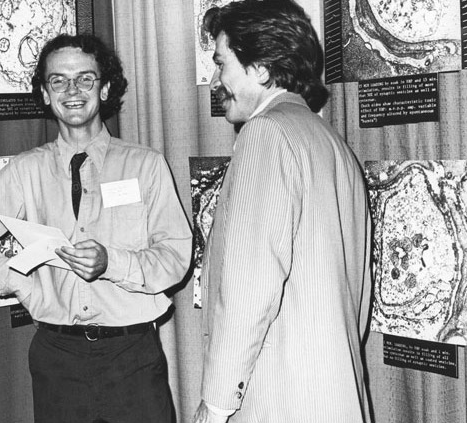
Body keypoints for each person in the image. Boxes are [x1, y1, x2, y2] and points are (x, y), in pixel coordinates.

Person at [0, 34, 192, 423]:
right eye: (58, 80)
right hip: (58, 359)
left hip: (133, 359)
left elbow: (175, 258)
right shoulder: (27, 170)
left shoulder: (146, 166)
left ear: (105, 88)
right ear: (45, 93)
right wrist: (15, 280)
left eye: (85, 79)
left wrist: (112, 262)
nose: (72, 90)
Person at [192, 1, 372, 422]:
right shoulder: (330, 142)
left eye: (223, 63)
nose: (218, 79)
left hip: (280, 397)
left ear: (259, 68)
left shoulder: (266, 133)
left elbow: (247, 289)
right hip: (332, 395)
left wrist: (216, 406)